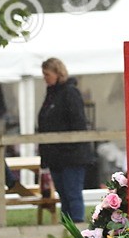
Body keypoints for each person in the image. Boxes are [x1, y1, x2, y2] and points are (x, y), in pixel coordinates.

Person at [38, 57, 94, 222]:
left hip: (71, 155)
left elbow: (78, 123)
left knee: (72, 193)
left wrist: (68, 147)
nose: (45, 78)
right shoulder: (51, 95)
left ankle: (76, 225)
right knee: (63, 194)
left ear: (57, 73)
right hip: (56, 156)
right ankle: (67, 225)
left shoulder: (70, 93)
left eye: (47, 74)